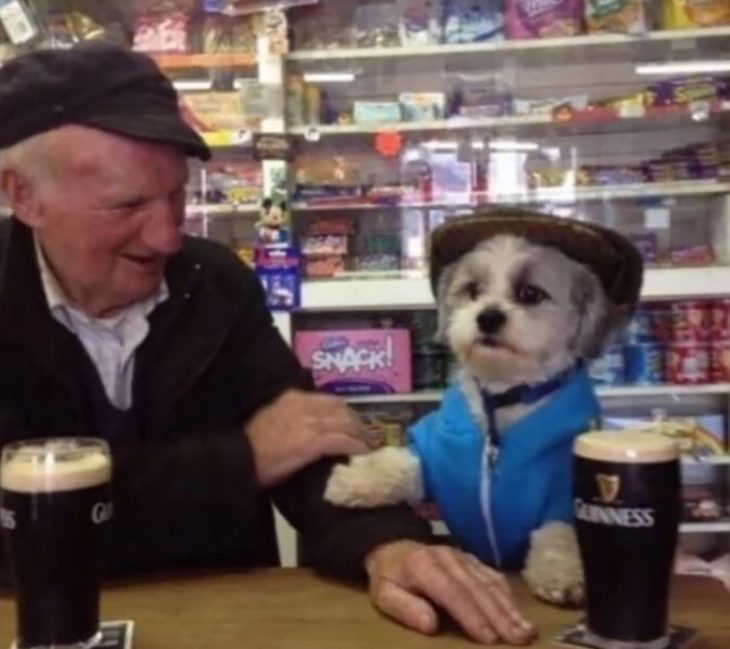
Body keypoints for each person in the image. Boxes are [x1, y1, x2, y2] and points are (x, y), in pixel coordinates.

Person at [0, 41, 536, 646]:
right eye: (128, 204)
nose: (169, 236)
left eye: (177, 195)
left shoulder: (216, 283)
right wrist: (242, 461)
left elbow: (313, 445)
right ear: (23, 196)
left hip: (225, 623)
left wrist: (389, 545)